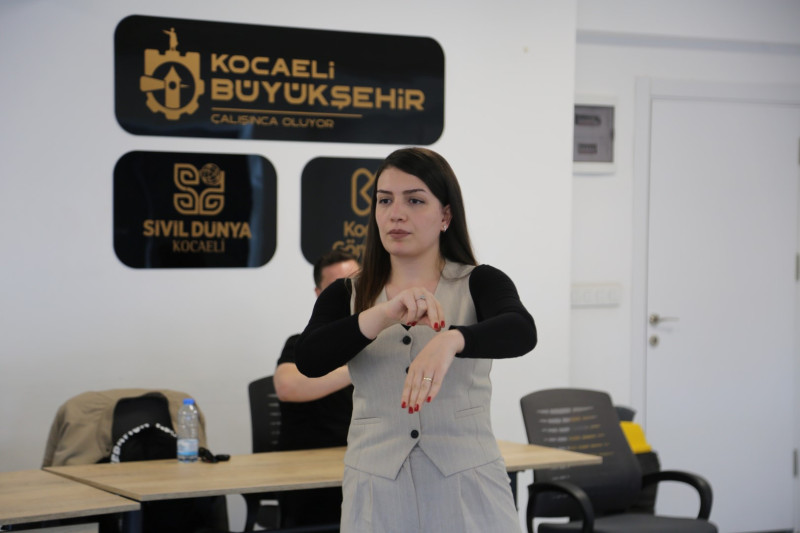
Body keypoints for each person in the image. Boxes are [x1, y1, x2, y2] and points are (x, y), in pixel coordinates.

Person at [295, 147, 537, 532]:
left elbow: (521, 330)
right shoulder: (346, 293)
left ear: (445, 216)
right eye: (385, 200)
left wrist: (451, 340)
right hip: (376, 487)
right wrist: (382, 315)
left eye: (415, 200)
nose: (396, 213)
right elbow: (309, 359)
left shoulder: (480, 281)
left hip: (467, 482)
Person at [274, 249, 360, 528]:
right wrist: (358, 369)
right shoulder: (304, 344)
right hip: (310, 478)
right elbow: (287, 386)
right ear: (319, 293)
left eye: (357, 282)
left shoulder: (384, 341)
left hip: (365, 461)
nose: (351, 293)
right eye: (339, 287)